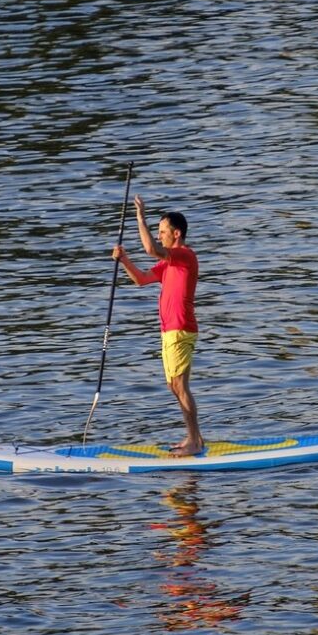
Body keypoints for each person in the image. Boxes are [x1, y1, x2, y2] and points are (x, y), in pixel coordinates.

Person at [113, 195, 202, 456]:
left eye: (162, 232)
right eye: (158, 232)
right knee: (173, 385)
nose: (159, 236)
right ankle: (195, 437)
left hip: (181, 328)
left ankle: (195, 442)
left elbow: (151, 249)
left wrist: (139, 217)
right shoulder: (168, 263)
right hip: (168, 331)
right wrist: (124, 259)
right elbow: (141, 279)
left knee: (180, 385)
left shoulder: (184, 255)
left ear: (176, 234)